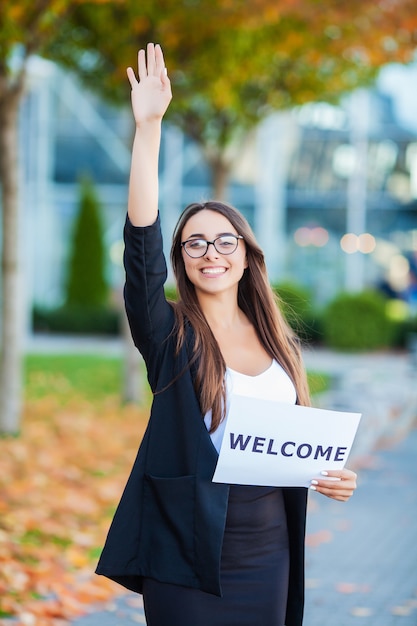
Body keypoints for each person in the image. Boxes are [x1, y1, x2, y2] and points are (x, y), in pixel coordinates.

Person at [96, 43, 357, 626]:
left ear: (246, 257)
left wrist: (332, 478)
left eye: (224, 241)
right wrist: (149, 130)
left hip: (270, 551)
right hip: (187, 553)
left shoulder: (279, 343)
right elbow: (141, 250)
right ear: (182, 260)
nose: (209, 252)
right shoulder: (171, 337)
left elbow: (294, 447)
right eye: (194, 243)